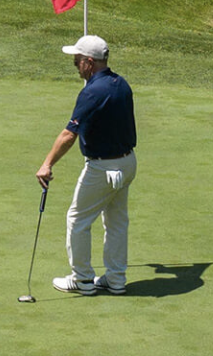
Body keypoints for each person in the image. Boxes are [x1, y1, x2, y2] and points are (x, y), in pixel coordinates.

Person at [35, 35, 137, 295]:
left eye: (77, 60)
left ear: (89, 63)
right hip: (127, 164)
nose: (75, 65)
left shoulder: (92, 92)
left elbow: (69, 135)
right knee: (116, 222)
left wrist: (47, 164)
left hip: (102, 168)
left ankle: (82, 280)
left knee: (78, 220)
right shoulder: (121, 84)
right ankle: (116, 279)